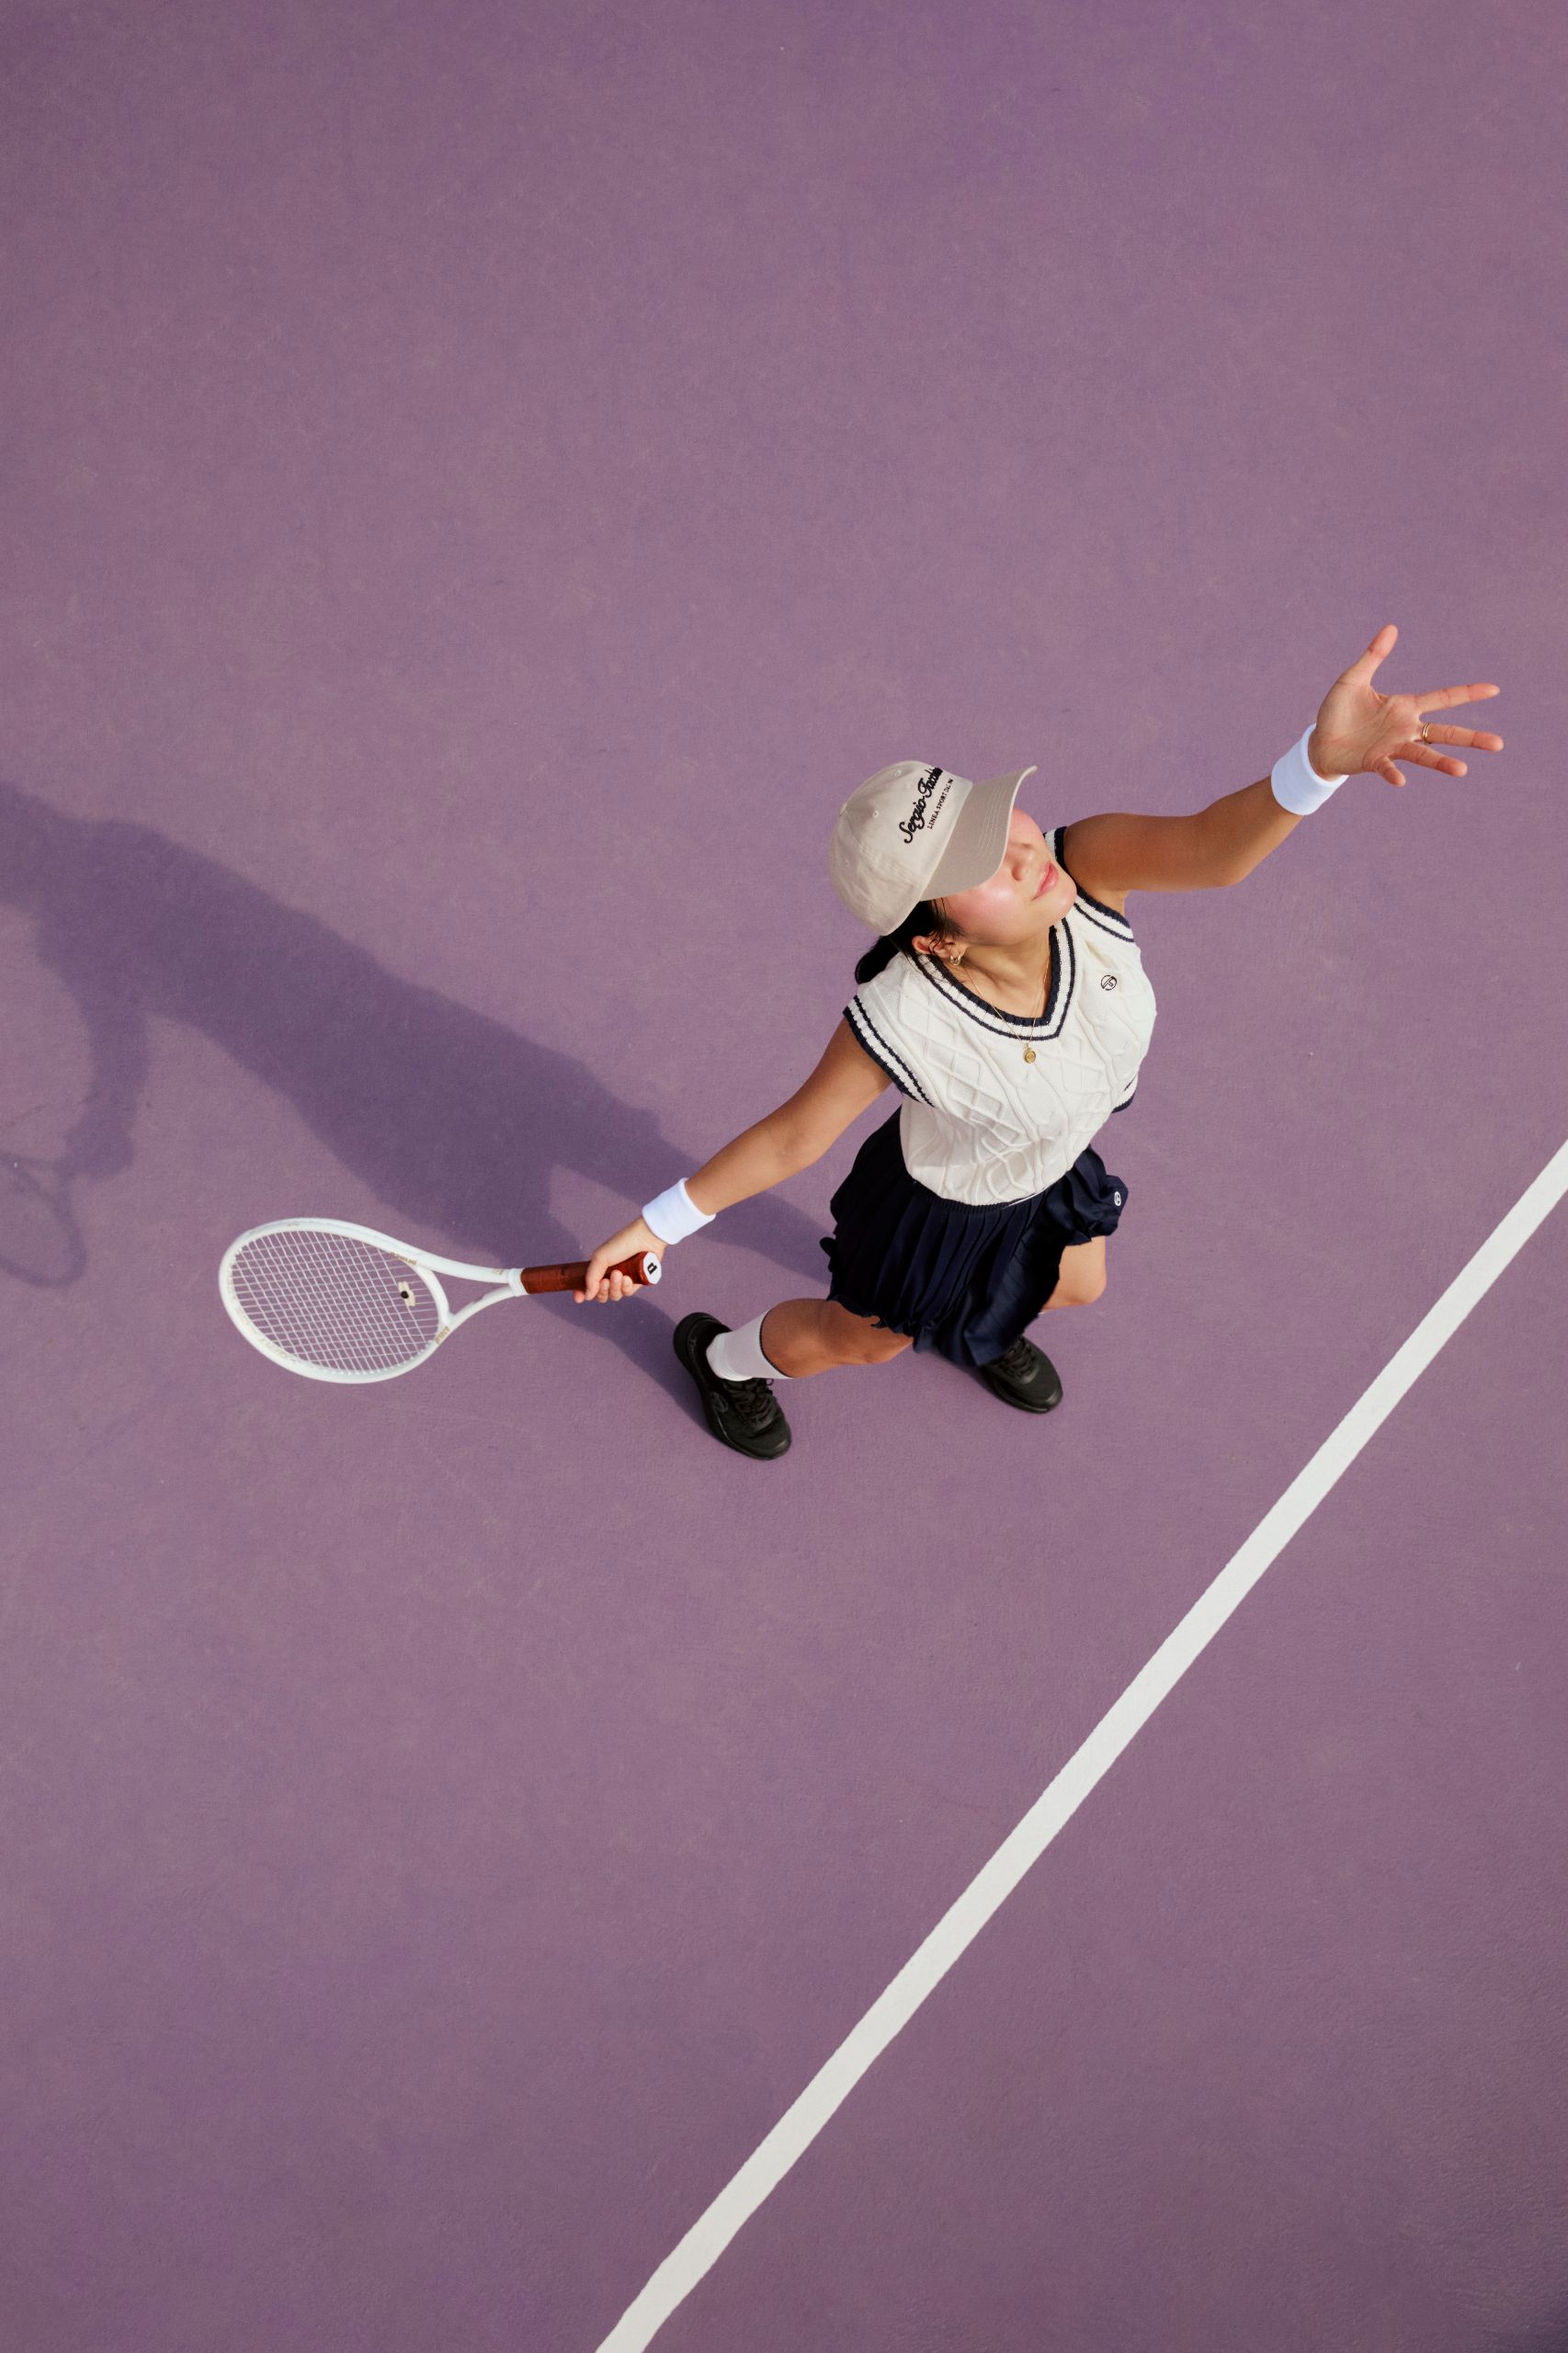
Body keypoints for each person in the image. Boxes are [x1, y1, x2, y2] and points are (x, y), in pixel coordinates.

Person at [574, 624, 1502, 1461]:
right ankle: (725, 1359)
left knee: (1077, 1286)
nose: (1022, 851)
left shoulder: (1085, 864)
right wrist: (654, 1228)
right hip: (936, 1214)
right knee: (857, 1340)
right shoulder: (903, 1017)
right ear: (936, 939)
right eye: (979, 861)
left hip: (1047, 1156)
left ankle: (977, 1322)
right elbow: (792, 1138)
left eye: (996, 821)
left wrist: (1319, 764)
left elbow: (1215, 849)